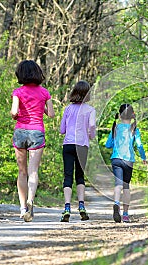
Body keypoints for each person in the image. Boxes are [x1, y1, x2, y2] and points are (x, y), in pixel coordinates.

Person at [10, 60, 55, 222]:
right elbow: (51, 114)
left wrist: (16, 114)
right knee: (33, 170)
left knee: (22, 171)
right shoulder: (45, 93)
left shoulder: (18, 92)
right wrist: (41, 106)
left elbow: (14, 112)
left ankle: (23, 208)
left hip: (21, 131)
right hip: (37, 132)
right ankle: (31, 200)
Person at [59, 80, 96, 222]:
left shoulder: (68, 109)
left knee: (67, 176)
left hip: (68, 144)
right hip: (82, 145)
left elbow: (62, 130)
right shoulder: (90, 110)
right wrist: (90, 135)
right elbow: (92, 125)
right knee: (80, 176)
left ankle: (67, 208)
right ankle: (81, 207)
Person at [105, 103, 147, 223]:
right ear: (132, 115)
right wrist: (143, 157)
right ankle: (125, 214)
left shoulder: (115, 128)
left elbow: (108, 145)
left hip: (116, 159)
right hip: (128, 160)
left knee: (118, 184)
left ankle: (116, 203)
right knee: (126, 186)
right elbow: (139, 145)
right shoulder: (134, 129)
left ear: (119, 115)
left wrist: (115, 143)